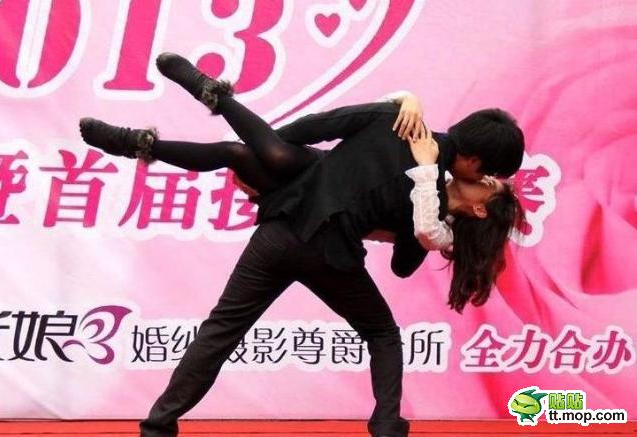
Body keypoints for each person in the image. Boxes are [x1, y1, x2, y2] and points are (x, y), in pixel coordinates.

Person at [79, 53, 525, 437]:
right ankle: (387, 427)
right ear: (474, 161)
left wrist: (279, 166)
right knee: (383, 334)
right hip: (331, 256)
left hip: (282, 228)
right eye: (490, 175)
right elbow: (404, 264)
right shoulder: (427, 195)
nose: (488, 181)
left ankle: (158, 427)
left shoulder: (398, 125)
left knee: (221, 329)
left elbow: (315, 126)